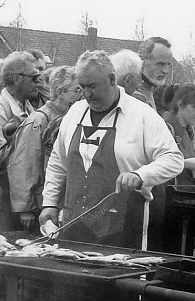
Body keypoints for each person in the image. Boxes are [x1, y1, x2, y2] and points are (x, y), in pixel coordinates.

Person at [38, 50, 183, 249]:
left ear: (112, 79)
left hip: (124, 229)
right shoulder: (75, 113)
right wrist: (49, 202)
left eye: (93, 86)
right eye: (82, 87)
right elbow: (58, 161)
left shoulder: (142, 115)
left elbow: (173, 159)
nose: (87, 94)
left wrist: (141, 175)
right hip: (74, 225)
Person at [7, 66, 81, 233]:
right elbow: (24, 164)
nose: (81, 95)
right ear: (60, 92)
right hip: (38, 207)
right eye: (77, 90)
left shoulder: (71, 119)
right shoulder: (39, 120)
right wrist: (25, 208)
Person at [0, 51, 40, 231]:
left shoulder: (27, 106)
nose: (39, 81)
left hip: (19, 199)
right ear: (17, 79)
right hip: (1, 201)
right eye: (34, 77)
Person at [163, 84, 195, 185]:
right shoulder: (166, 127)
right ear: (180, 104)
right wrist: (186, 164)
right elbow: (159, 163)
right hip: (171, 193)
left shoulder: (188, 130)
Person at [133, 37, 173, 110]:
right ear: (142, 61)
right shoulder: (135, 97)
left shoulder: (148, 92)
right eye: (160, 64)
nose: (165, 71)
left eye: (168, 64)